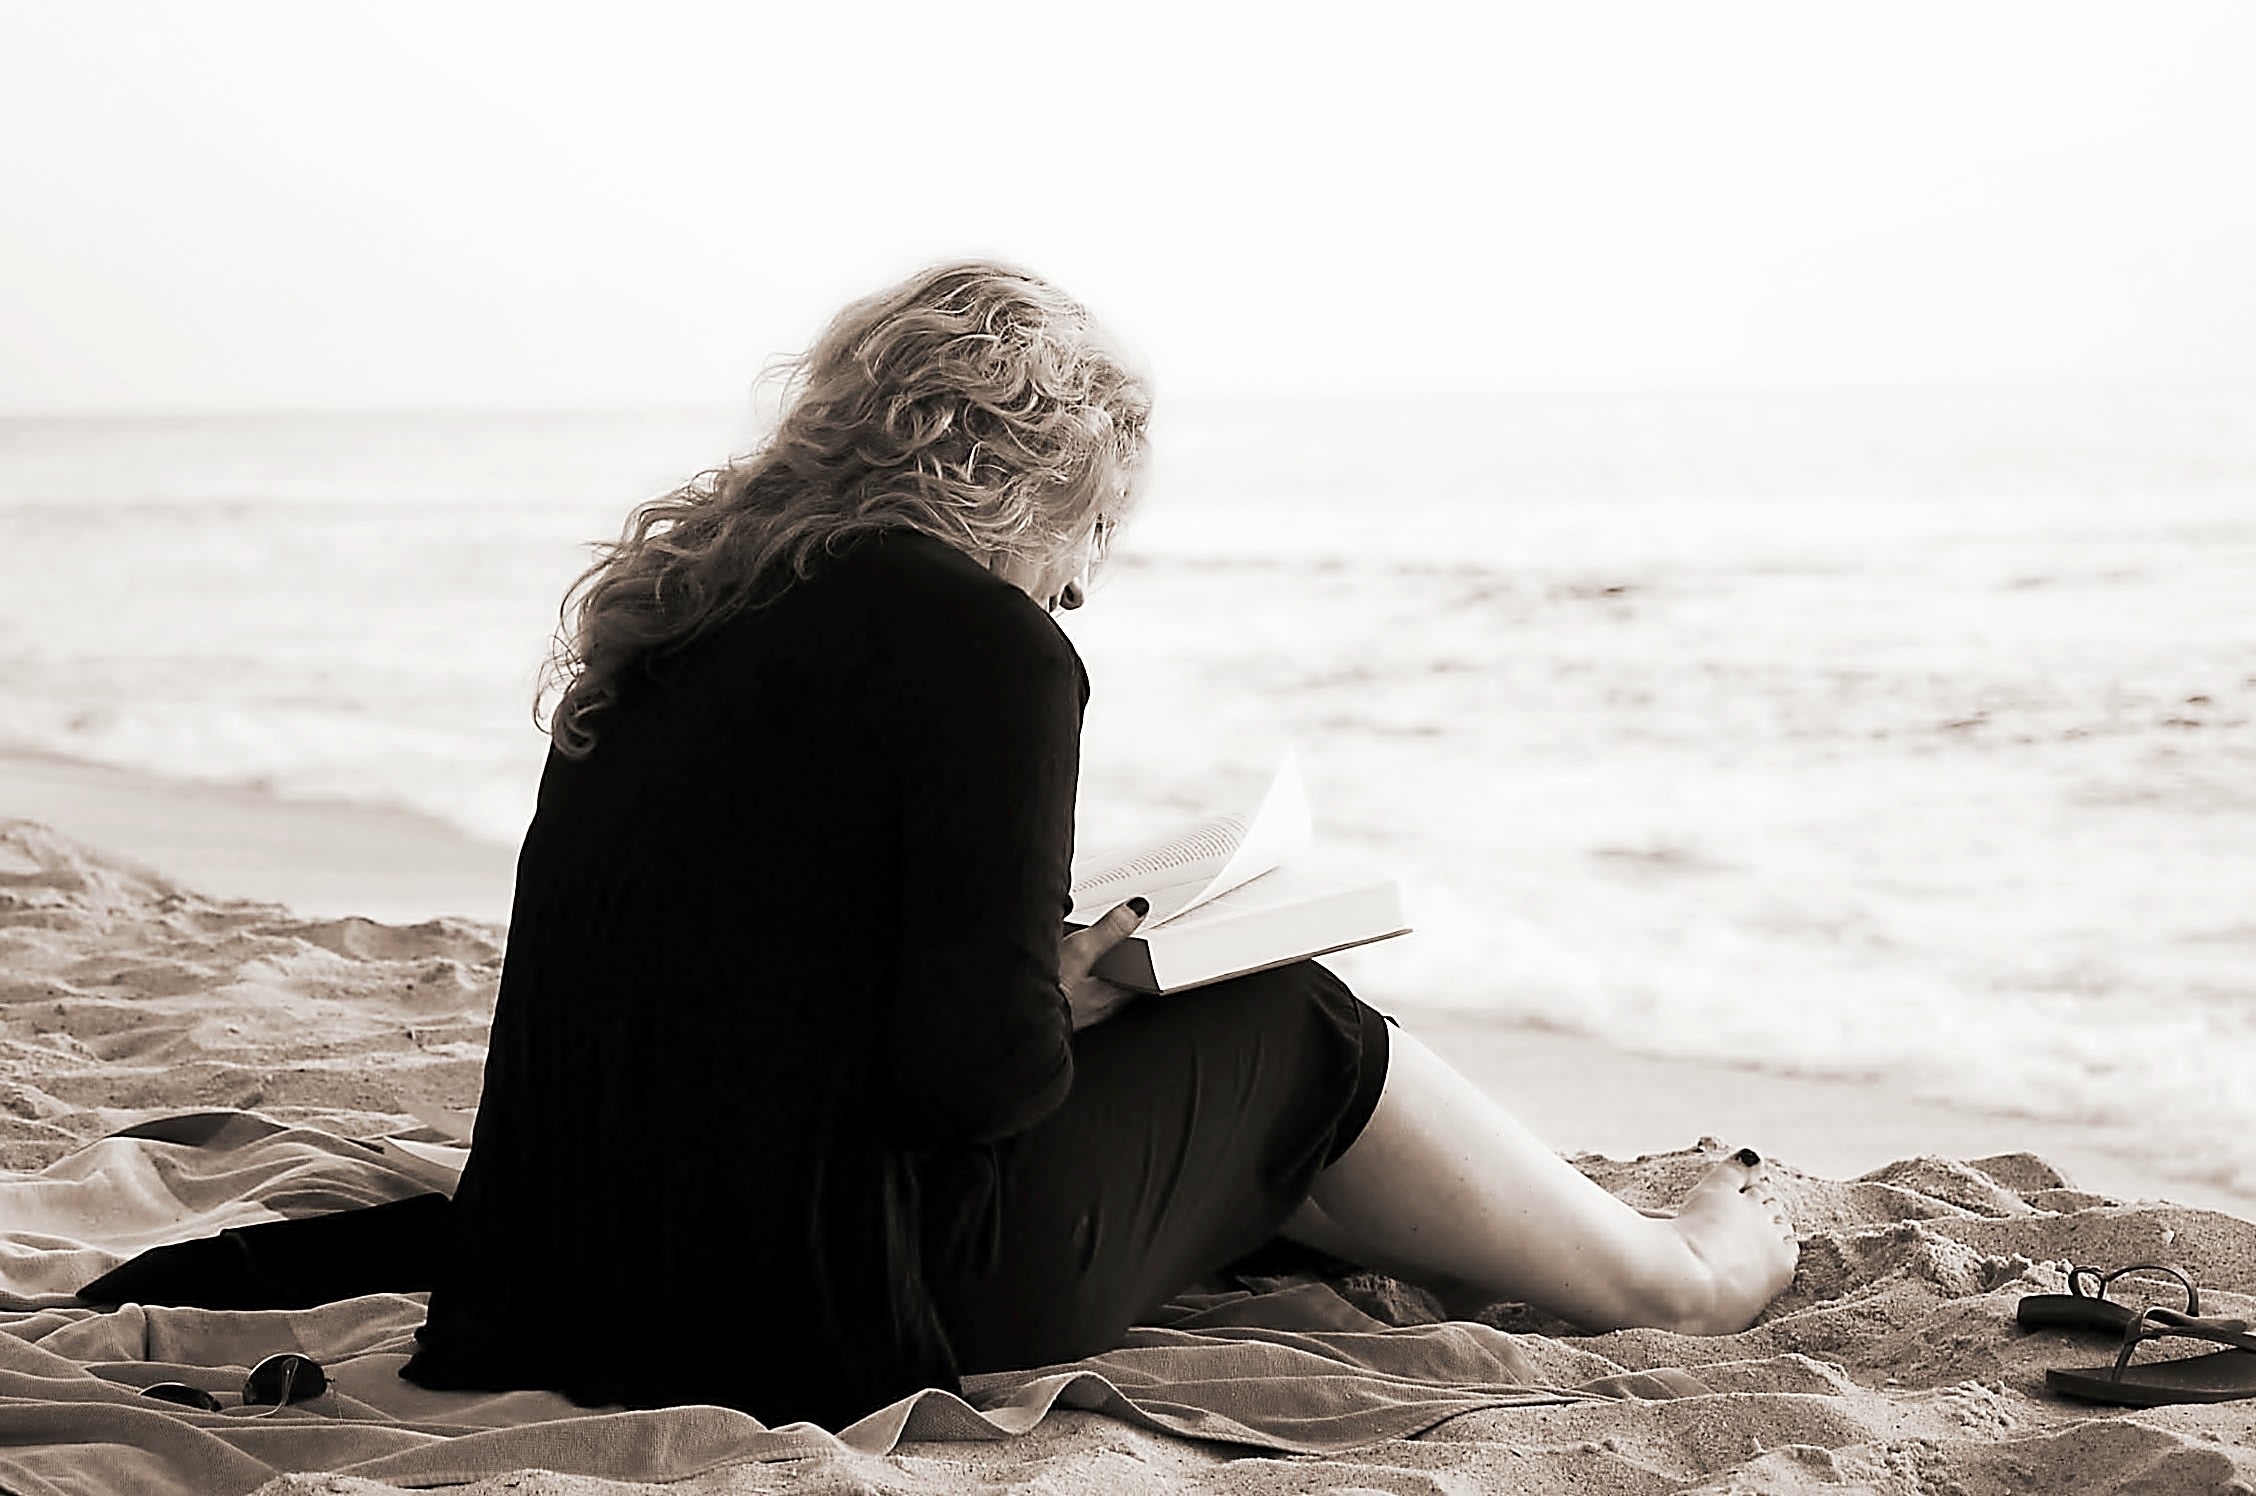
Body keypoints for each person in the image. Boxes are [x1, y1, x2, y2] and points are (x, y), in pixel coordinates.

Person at [397, 261, 1799, 1428]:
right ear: (1023, 479)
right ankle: (1678, 1280)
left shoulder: (676, 621)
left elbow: (730, 980)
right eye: (1094, 526)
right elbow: (975, 1083)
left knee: (1178, 1048)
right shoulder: (981, 644)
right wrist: (1075, 988)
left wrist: (1041, 976)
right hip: (812, 1316)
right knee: (1289, 1016)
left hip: (573, 1276)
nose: (1078, 581)